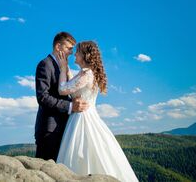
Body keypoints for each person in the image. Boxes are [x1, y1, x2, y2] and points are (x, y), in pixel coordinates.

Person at [56, 41, 139, 181]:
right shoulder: (85, 73)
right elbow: (73, 86)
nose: (75, 54)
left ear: (85, 55)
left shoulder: (86, 75)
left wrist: (63, 69)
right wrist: (67, 69)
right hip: (85, 116)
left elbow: (63, 89)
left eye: (77, 52)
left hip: (82, 118)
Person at [34, 32, 89, 161]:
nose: (71, 52)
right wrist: (70, 106)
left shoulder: (63, 67)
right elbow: (43, 97)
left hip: (63, 127)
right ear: (58, 47)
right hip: (49, 130)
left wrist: (73, 100)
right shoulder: (45, 65)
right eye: (68, 48)